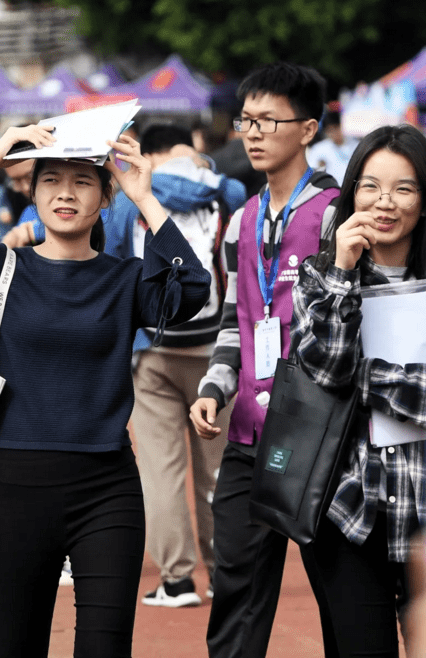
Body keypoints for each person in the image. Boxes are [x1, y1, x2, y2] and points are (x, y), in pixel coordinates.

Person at [0, 125, 211, 658]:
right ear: (32, 192)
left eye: (84, 182)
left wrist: (145, 197)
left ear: (104, 196)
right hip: (19, 490)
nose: (66, 193)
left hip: (108, 491)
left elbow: (192, 289)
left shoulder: (127, 279)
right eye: (52, 180)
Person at [291, 124, 426, 658]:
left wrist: (365, 375)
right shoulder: (319, 279)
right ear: (351, 193)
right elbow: (322, 368)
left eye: (404, 188)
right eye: (370, 186)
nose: (384, 203)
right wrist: (342, 272)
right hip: (348, 514)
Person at [189, 62, 340, 658]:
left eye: (267, 121)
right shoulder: (242, 221)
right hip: (250, 435)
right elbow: (237, 322)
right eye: (245, 120)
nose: (251, 133)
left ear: (307, 129)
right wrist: (214, 388)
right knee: (236, 591)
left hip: (322, 440)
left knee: (342, 594)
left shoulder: (334, 214)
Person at [104, 124, 245, 608]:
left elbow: (113, 261)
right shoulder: (223, 190)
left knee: (161, 471)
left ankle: (178, 580)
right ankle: (228, 571)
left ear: (149, 151)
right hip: (217, 351)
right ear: (189, 145)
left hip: (153, 348)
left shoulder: (129, 197)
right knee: (219, 470)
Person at [307, 111, 357, 184]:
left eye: (335, 128)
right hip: (331, 190)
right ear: (326, 132)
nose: (333, 133)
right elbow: (311, 172)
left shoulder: (355, 145)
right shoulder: (319, 149)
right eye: (330, 130)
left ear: (341, 125)